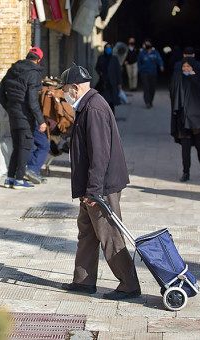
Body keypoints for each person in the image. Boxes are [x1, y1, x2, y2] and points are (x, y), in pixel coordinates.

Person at [57, 64, 141, 300]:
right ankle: (83, 281)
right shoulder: (87, 105)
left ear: (75, 88)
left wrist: (93, 192)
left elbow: (100, 154)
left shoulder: (93, 108)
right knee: (87, 233)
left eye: (65, 90)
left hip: (100, 187)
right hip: (90, 186)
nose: (64, 95)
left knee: (109, 234)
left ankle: (129, 284)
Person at [0, 47, 47, 189]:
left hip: (13, 114)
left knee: (17, 146)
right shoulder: (34, 74)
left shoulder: (13, 70)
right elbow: (32, 101)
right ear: (38, 60)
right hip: (25, 116)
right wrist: (41, 121)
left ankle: (10, 178)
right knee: (25, 147)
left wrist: (10, 106)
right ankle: (19, 179)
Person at [170, 57, 200, 182]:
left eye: (188, 67)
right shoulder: (179, 78)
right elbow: (174, 95)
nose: (186, 69)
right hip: (183, 121)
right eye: (184, 67)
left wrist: (194, 78)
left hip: (197, 122)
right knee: (185, 148)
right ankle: (186, 172)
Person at [95, 42, 122, 114]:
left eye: (110, 48)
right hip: (103, 83)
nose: (108, 49)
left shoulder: (114, 59)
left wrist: (119, 82)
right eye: (107, 48)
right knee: (104, 100)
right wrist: (100, 72)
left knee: (112, 101)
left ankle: (112, 116)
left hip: (112, 83)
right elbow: (97, 67)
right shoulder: (101, 58)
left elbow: (118, 71)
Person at [138, 39, 164, 108]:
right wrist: (140, 70)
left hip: (153, 73)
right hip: (144, 73)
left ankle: (150, 101)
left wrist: (161, 66)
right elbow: (139, 63)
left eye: (148, 43)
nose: (147, 45)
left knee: (152, 88)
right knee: (146, 88)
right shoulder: (142, 53)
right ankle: (147, 102)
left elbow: (159, 59)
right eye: (145, 44)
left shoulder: (155, 52)